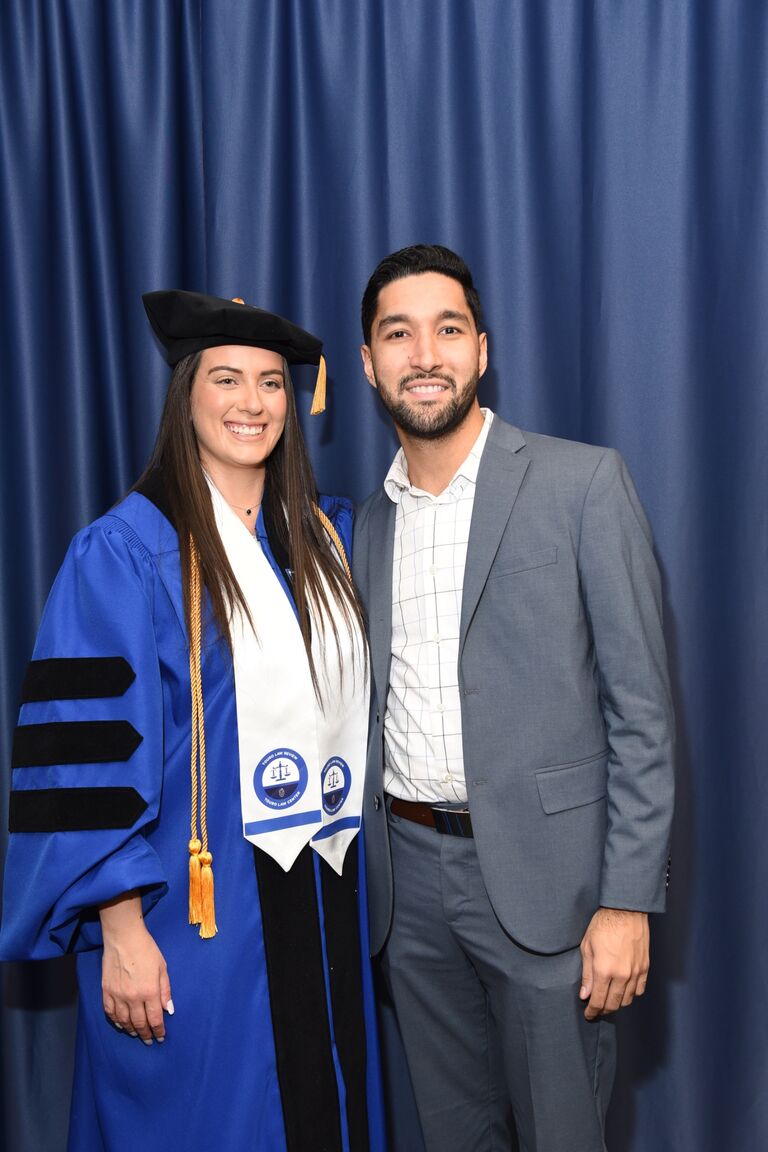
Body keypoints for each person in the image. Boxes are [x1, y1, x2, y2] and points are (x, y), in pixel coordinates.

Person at [1, 290, 385, 1152]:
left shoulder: (322, 544)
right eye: (226, 380)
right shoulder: (127, 552)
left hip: (320, 903)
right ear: (186, 397)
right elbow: (82, 760)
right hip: (193, 922)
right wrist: (120, 927)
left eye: (271, 383)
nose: (251, 403)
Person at [353, 245, 675, 1152]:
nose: (425, 354)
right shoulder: (368, 525)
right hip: (408, 891)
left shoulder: (582, 484)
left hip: (552, 892)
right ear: (371, 361)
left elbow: (642, 714)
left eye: (447, 329)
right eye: (398, 333)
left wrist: (626, 903)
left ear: (482, 350)